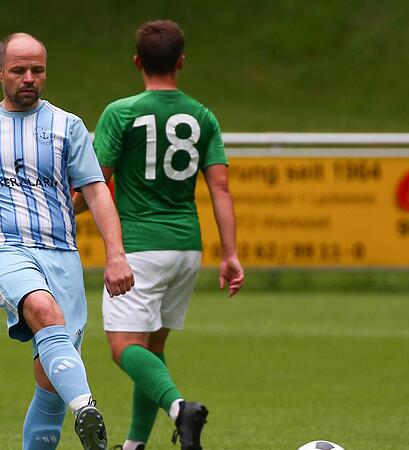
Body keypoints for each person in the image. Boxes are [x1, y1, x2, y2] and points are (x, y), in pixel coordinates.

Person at [0, 32, 134, 450]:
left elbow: (97, 193)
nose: (29, 78)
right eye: (19, 70)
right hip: (2, 250)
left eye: (37, 70)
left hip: (61, 256)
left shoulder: (68, 127)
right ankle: (87, 407)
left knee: (50, 383)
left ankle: (71, 404)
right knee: (41, 307)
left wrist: (116, 255)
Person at [74, 20, 244, 450]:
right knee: (150, 347)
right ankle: (135, 446)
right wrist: (230, 253)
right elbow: (220, 187)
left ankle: (179, 409)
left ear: (137, 62)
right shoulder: (203, 115)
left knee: (122, 348)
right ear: (181, 62)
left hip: (139, 247)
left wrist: (52, 210)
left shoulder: (122, 112)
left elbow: (97, 182)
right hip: (186, 246)